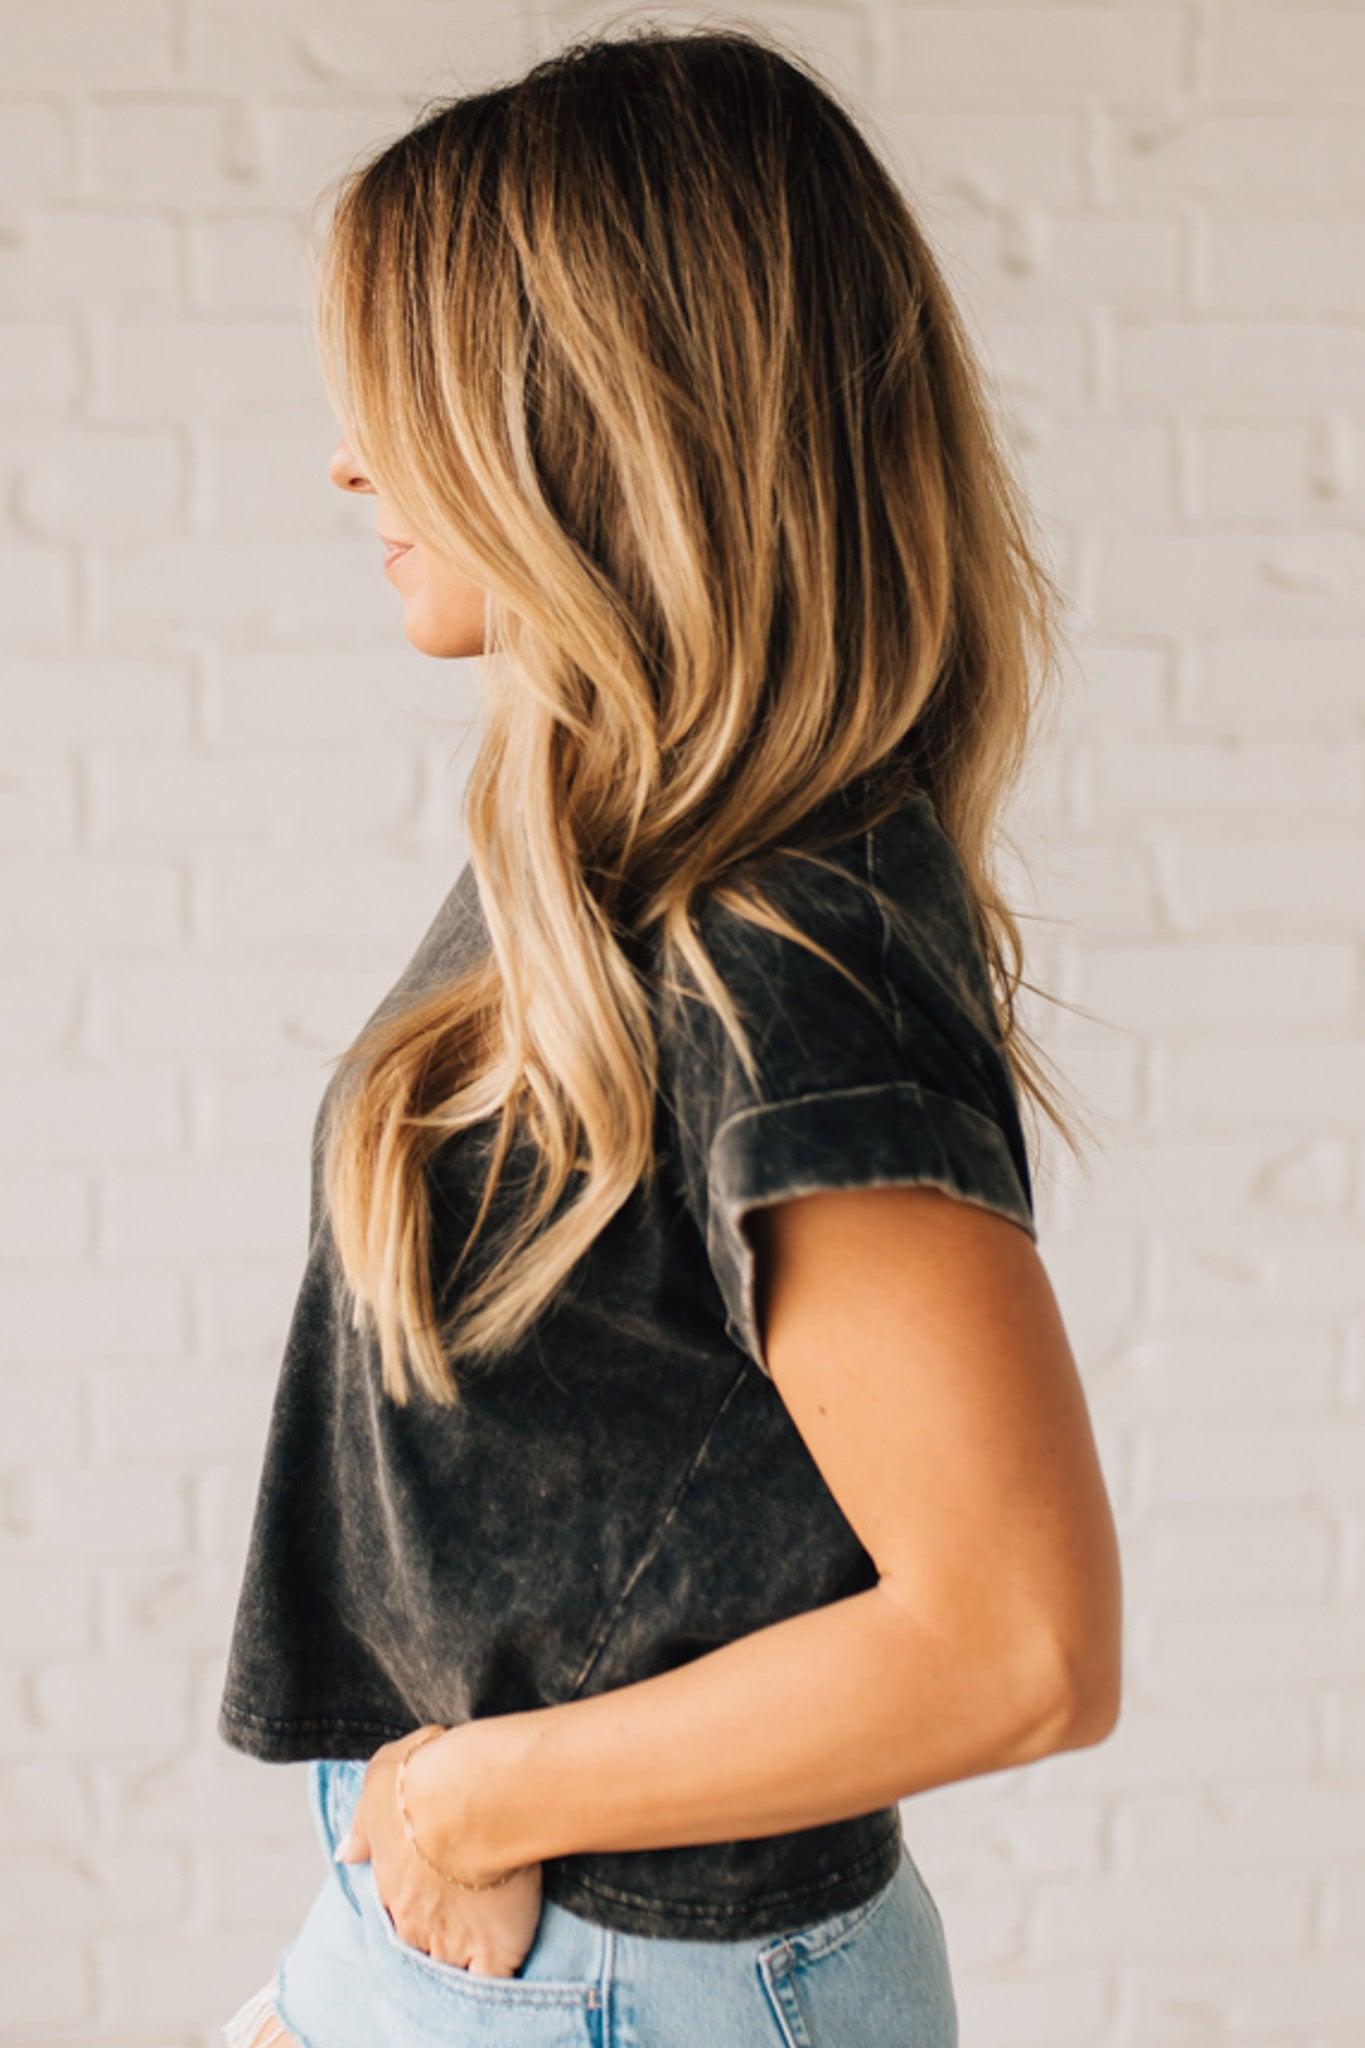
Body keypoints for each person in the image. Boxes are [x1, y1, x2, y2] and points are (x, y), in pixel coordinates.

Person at [217, 24, 1122, 2048]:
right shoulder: (615, 864)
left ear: (579, 423)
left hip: (604, 1958)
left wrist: (470, 1795)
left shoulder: (775, 939)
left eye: (403, 390)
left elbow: (1016, 1640)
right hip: (487, 1935)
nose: (345, 456)